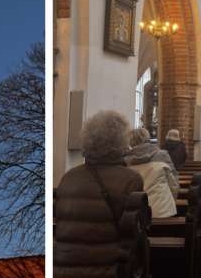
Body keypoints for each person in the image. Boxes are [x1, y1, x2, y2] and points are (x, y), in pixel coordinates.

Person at [55, 110, 144, 268]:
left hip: (63, 265)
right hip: (107, 268)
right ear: (121, 142)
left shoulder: (68, 178)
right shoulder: (130, 179)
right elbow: (136, 230)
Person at [126, 128, 179, 219]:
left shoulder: (126, 160)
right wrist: (171, 201)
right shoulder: (162, 155)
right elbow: (173, 183)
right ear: (147, 138)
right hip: (162, 209)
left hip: (137, 212)